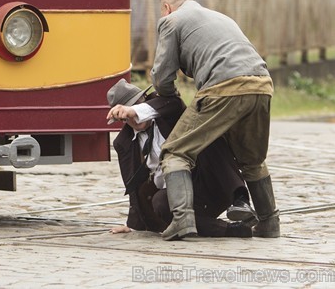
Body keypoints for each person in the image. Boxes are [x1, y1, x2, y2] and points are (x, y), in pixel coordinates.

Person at [150, 0, 279, 240]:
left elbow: (162, 78)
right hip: (262, 84)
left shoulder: (171, 21)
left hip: (223, 87)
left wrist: (170, 98)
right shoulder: (221, 17)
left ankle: (182, 221)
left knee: (175, 152)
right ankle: (269, 223)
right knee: (252, 160)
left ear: (166, 7)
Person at [106, 80, 255, 238]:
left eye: (134, 109)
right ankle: (231, 230)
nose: (133, 119)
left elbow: (175, 103)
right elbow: (134, 188)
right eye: (125, 118)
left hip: (212, 184)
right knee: (160, 203)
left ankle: (240, 200)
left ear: (145, 101)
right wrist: (132, 225)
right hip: (185, 201)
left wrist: (135, 110)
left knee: (207, 134)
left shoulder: (168, 110)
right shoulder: (124, 143)